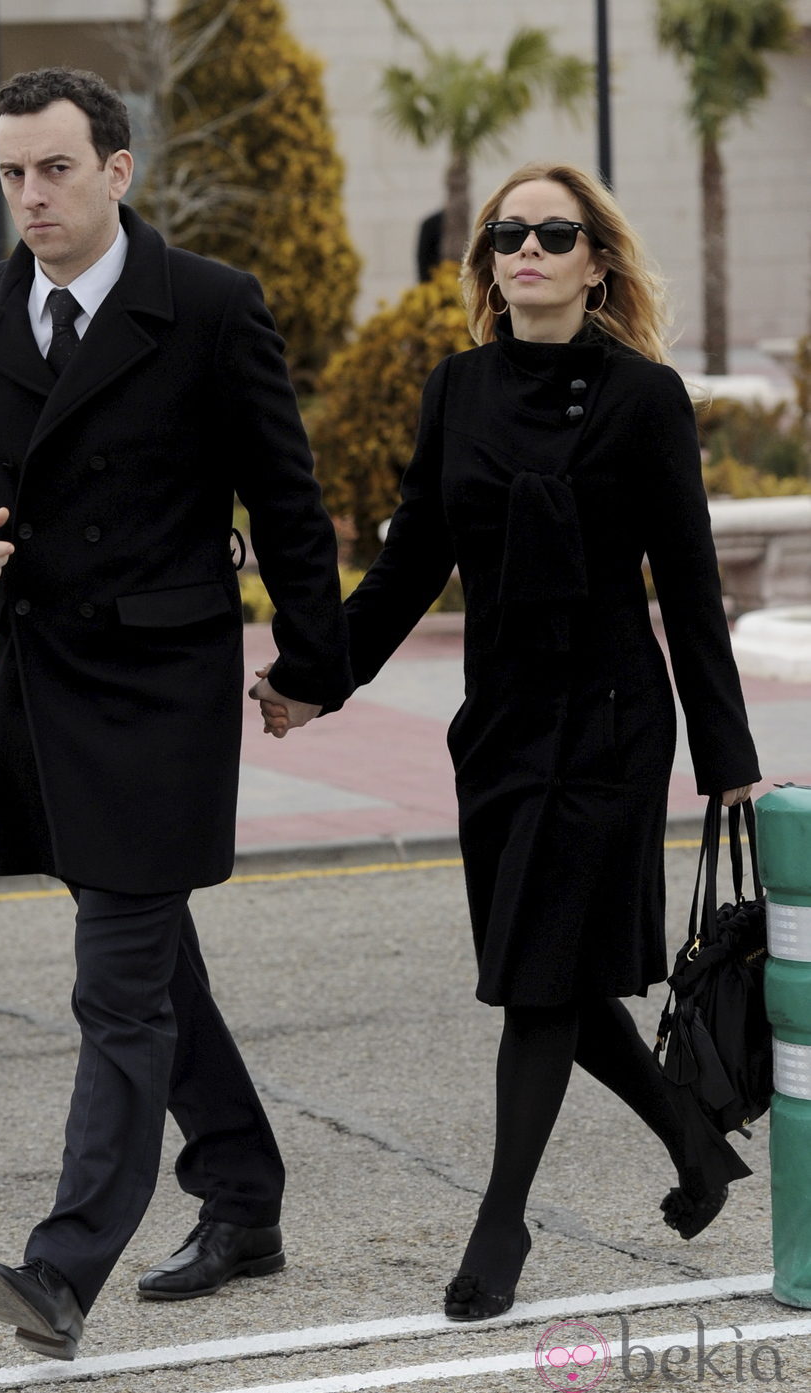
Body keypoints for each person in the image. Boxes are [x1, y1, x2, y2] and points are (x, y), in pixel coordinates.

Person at [0, 66, 350, 1362]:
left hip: (162, 694)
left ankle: (63, 1263)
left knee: (117, 985)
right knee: (146, 961)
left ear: (118, 169)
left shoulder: (208, 308)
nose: (29, 196)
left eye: (53, 169)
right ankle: (246, 1195)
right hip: (41, 688)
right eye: (10, 173)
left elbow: (291, 503)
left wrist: (312, 664)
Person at [256, 161, 761, 1320]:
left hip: (607, 726)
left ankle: (500, 1225)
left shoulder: (644, 399)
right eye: (505, 234)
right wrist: (309, 679)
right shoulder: (455, 390)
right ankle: (695, 1138)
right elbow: (408, 565)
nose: (523, 248)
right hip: (496, 727)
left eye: (552, 232)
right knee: (557, 974)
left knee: (536, 981)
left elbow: (687, 588)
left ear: (596, 264)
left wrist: (724, 756)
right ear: (486, 262)